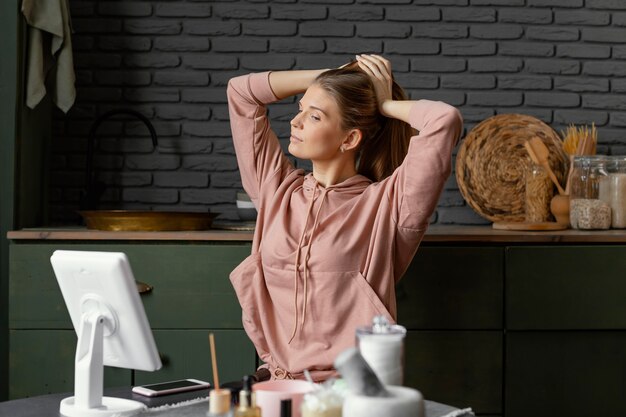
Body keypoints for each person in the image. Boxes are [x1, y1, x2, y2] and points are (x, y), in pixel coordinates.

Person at [227, 54, 463, 382]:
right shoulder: (276, 189)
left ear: (349, 139)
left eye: (314, 117)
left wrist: (385, 104)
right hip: (277, 383)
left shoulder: (388, 206)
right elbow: (241, 92)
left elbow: (444, 120)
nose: (295, 123)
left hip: (353, 389)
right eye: (300, 111)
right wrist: (329, 76)